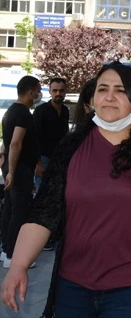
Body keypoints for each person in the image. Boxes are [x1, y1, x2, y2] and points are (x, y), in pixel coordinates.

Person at [0, 62, 131, 317]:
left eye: (121, 90)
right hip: (73, 286)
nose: (109, 97)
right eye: (103, 89)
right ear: (92, 97)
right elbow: (43, 213)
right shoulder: (72, 145)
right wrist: (18, 265)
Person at [0, 75, 43, 269]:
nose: (39, 94)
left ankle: (5, 249)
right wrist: (12, 171)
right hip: (19, 168)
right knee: (19, 211)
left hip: (13, 167)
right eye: (38, 90)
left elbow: (7, 142)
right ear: (30, 91)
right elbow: (15, 143)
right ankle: (11, 254)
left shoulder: (11, 111)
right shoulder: (23, 114)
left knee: (9, 208)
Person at [33, 77, 70, 251]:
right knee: (43, 198)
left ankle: (53, 237)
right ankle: (40, 239)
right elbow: (33, 139)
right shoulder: (41, 111)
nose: (58, 94)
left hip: (59, 161)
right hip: (43, 159)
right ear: (49, 91)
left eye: (61, 91)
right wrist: (37, 163)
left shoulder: (65, 111)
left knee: (57, 198)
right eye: (55, 91)